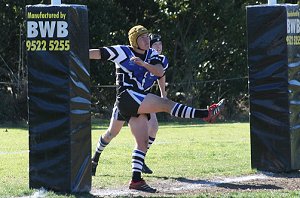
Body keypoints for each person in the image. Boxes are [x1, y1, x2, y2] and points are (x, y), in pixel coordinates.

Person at [89, 25, 225, 193]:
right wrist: (72, 52)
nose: (148, 41)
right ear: (134, 41)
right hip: (126, 98)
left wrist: (143, 64)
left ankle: (136, 180)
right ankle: (206, 114)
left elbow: (159, 71)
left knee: (143, 142)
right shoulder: (123, 51)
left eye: (148, 37)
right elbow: (96, 53)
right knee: (163, 106)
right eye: (142, 38)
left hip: (139, 99)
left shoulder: (152, 55)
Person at [91, 33, 169, 180]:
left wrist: (163, 95)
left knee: (153, 127)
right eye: (155, 44)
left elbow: (161, 75)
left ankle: (141, 159)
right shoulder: (134, 55)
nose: (158, 47)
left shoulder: (160, 60)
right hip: (127, 100)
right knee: (111, 133)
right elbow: (102, 53)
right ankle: (95, 159)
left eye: (160, 44)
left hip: (143, 101)